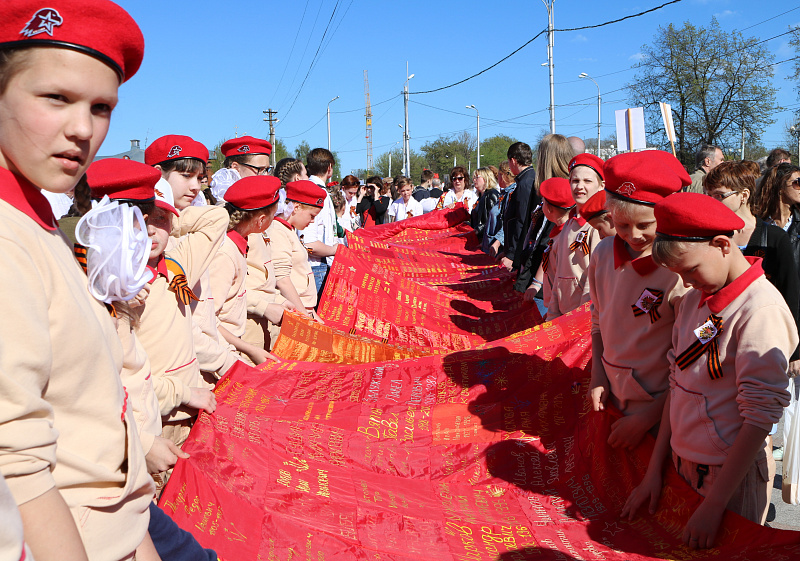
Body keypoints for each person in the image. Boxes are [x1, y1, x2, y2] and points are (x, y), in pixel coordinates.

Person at [0, 2, 158, 560]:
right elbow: (14, 469)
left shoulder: (36, 224)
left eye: (101, 108)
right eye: (55, 98)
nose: (82, 129)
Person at [622, 192, 797, 549]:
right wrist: (655, 469)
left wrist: (715, 505)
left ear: (721, 245)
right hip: (684, 466)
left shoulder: (759, 310)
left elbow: (759, 418)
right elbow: (679, 382)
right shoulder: (694, 303)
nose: (686, 283)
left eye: (690, 270)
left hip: (729, 481)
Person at [588, 150, 691, 450]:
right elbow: (598, 319)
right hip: (612, 396)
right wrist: (598, 375)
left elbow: (689, 359)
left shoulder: (680, 271)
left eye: (646, 225)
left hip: (662, 409)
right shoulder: (602, 254)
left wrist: (649, 416)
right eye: (622, 225)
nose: (634, 236)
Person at [146, 135, 241, 385]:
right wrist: (162, 219)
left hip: (206, 365)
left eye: (200, 178)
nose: (195, 187)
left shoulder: (181, 235)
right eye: (186, 176)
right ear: (158, 175)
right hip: (179, 376)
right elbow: (183, 326)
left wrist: (169, 220)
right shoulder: (155, 246)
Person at [210, 175, 282, 365]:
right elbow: (208, 319)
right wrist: (248, 350)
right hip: (223, 351)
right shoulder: (225, 254)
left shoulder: (237, 245)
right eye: (273, 216)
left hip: (231, 345)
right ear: (260, 221)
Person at [545, 154, 605, 320]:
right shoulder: (568, 226)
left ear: (601, 186)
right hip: (564, 316)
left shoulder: (599, 227)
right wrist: (552, 314)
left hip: (584, 318)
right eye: (575, 181)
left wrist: (582, 317)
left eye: (587, 181)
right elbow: (558, 275)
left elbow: (594, 280)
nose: (580, 186)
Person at [513, 134, 572, 292]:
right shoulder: (549, 189)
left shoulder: (561, 193)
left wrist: (535, 282)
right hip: (539, 269)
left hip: (547, 276)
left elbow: (550, 241)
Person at [268, 180, 327, 319]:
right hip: (295, 312)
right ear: (296, 207)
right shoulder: (278, 231)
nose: (312, 221)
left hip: (302, 309)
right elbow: (282, 280)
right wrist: (305, 316)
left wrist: (311, 313)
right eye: (312, 215)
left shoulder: (289, 230)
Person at [524, 177, 574, 306]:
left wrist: (555, 309)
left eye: (543, 202)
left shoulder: (568, 236)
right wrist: (537, 282)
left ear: (550, 209)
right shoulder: (559, 231)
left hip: (563, 306)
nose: (541, 206)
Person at [299, 148, 338, 293]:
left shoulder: (312, 189)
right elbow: (309, 242)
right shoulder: (316, 193)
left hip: (317, 264)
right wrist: (335, 250)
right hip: (316, 266)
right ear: (329, 168)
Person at [210, 136, 273, 203]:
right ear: (236, 168)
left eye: (267, 169)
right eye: (260, 169)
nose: (266, 175)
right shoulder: (222, 206)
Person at [484, 161, 516, 257]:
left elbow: (509, 222)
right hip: (494, 247)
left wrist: (497, 242)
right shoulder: (504, 194)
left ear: (503, 175)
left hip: (500, 249)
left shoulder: (511, 194)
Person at [470, 167, 500, 240]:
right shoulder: (481, 197)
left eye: (477, 177)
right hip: (481, 238)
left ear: (486, 178)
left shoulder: (491, 195)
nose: (474, 180)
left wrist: (479, 230)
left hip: (488, 239)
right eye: (473, 177)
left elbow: (494, 220)